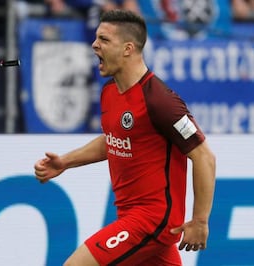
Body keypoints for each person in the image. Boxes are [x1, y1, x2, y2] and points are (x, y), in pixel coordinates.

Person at [34, 9, 216, 266]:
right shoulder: (110, 92)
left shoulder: (160, 100)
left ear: (128, 48)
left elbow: (204, 157)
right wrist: (65, 162)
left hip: (152, 220)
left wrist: (200, 220)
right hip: (133, 218)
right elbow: (113, 139)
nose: (94, 45)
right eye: (97, 38)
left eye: (104, 40)